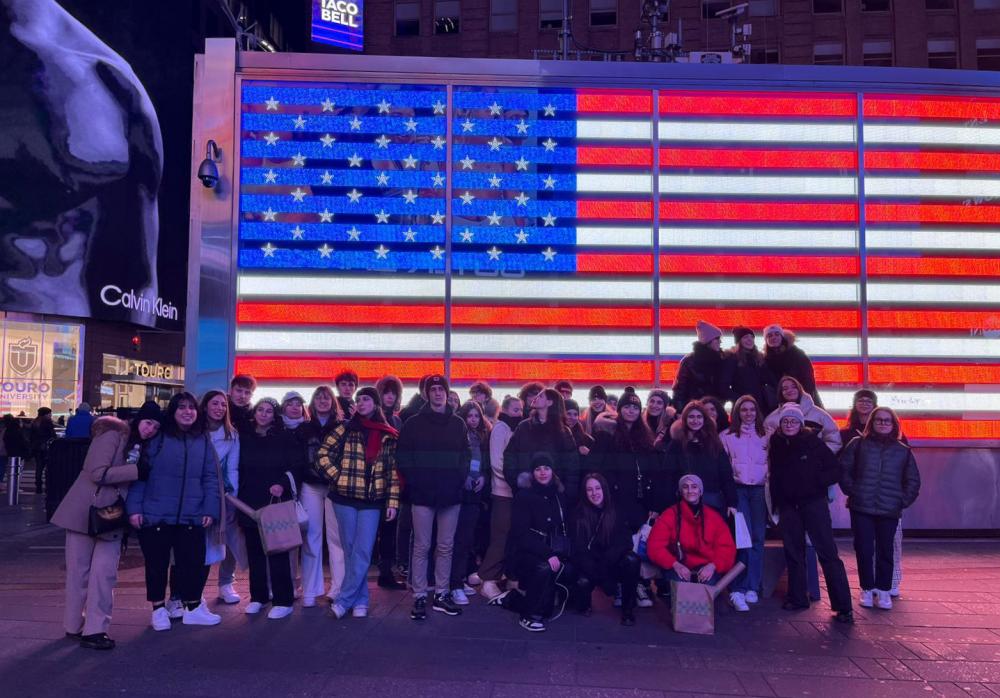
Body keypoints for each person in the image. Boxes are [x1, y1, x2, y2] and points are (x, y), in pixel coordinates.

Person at [52, 405, 159, 650]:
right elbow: (96, 472)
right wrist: (135, 471)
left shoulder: (142, 449)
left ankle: (95, 630)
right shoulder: (112, 436)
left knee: (105, 574)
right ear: (137, 420)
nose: (150, 429)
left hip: (112, 518)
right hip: (84, 513)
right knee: (79, 572)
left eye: (155, 426)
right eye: (147, 423)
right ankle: (73, 626)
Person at [126, 392, 221, 630]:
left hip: (192, 513)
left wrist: (210, 507)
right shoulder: (158, 438)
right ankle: (158, 610)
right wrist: (134, 508)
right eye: (181, 408)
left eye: (191, 407)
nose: (188, 412)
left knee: (193, 561)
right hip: (156, 512)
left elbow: (211, 477)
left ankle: (191, 607)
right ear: (173, 411)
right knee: (156, 563)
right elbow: (141, 475)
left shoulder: (203, 439)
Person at [315, 386, 400, 619]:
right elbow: (322, 454)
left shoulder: (388, 434)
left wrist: (393, 502)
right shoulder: (345, 428)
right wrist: (337, 476)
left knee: (362, 551)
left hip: (372, 501)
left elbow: (393, 472)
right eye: (358, 399)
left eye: (366, 399)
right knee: (351, 550)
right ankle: (361, 600)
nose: (361, 403)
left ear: (375, 404)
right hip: (344, 498)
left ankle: (344, 600)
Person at [769, 404, 853, 623]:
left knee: (827, 552)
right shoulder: (776, 444)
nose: (789, 425)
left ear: (801, 423)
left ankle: (843, 605)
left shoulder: (814, 444)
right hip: (788, 506)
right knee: (793, 552)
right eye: (785, 421)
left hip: (813, 503)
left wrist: (817, 482)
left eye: (793, 421)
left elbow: (835, 470)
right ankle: (797, 597)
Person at [396, 375, 470, 620]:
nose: (438, 393)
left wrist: (459, 479)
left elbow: (465, 456)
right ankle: (419, 595)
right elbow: (403, 457)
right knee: (422, 545)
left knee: (446, 546)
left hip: (451, 494)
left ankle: (441, 593)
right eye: (434, 389)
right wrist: (416, 482)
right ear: (427, 394)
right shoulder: (413, 423)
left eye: (442, 389)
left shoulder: (458, 424)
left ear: (447, 393)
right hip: (422, 494)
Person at [839, 407, 920, 611]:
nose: (883, 423)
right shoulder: (858, 445)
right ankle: (867, 588)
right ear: (871, 423)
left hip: (889, 510)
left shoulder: (903, 451)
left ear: (894, 425)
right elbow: (844, 470)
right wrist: (853, 491)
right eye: (879, 420)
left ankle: (884, 590)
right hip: (861, 508)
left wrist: (900, 501)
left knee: (886, 551)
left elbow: (913, 481)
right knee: (864, 550)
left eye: (887, 421)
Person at [236, 397, 304, 619]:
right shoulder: (244, 437)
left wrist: (282, 484)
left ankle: (283, 600)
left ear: (274, 416)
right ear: (254, 412)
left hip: (275, 502)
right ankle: (258, 597)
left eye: (269, 411)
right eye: (260, 410)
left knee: (278, 550)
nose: (264, 414)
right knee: (254, 551)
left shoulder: (284, 438)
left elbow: (297, 466)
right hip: (249, 500)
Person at [491, 453, 571, 632]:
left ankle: (512, 599)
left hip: (552, 548)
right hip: (526, 551)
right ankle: (528, 617)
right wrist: (547, 554)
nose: (542, 472)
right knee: (543, 568)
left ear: (552, 471)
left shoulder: (558, 496)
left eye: (546, 468)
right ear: (532, 473)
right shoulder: (524, 496)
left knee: (548, 610)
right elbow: (521, 533)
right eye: (538, 469)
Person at [571, 473, 642, 626]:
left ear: (604, 489)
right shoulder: (579, 514)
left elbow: (625, 541)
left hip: (611, 562)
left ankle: (628, 610)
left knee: (632, 560)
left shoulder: (616, 510)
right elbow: (579, 550)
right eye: (589, 490)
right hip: (590, 567)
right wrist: (599, 575)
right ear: (585, 492)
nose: (594, 493)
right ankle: (585, 603)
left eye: (598, 488)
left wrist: (607, 565)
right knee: (581, 586)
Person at [720, 395, 769, 612]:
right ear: (737, 413)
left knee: (758, 537)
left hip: (759, 491)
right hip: (738, 490)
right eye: (743, 410)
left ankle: (752, 585)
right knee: (742, 538)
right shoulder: (727, 436)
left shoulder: (767, 435)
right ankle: (737, 587)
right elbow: (724, 468)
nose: (748, 413)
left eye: (752, 409)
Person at [647, 473, 736, 589]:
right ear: (680, 491)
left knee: (706, 589)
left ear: (700, 491)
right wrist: (674, 564)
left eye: (694, 487)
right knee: (681, 589)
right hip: (678, 566)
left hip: (706, 567)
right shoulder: (669, 515)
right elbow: (654, 546)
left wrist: (713, 566)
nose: (690, 491)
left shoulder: (714, 517)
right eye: (685, 487)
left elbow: (726, 548)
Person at [300, 386, 347, 601]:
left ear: (333, 401)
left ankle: (338, 588)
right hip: (310, 485)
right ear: (312, 401)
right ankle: (311, 589)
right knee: (312, 536)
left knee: (336, 539)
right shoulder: (304, 428)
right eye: (318, 397)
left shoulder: (342, 427)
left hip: (334, 486)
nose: (322, 400)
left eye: (326, 397)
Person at [200, 390, 244, 606]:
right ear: (205, 405)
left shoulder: (232, 434)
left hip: (223, 492)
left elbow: (233, 467)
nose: (219, 408)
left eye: (223, 405)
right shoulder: (195, 431)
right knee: (198, 541)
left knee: (227, 539)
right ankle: (192, 589)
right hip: (196, 492)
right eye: (215, 403)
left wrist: (232, 496)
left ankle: (226, 583)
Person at [477, 395, 523, 601]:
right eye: (515, 409)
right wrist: (515, 479)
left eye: (520, 409)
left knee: (508, 536)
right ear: (504, 409)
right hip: (503, 491)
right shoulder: (500, 429)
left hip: (513, 491)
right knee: (500, 537)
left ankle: (497, 575)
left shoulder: (513, 429)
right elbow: (497, 462)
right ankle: (488, 579)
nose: (519, 413)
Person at [504, 388, 580, 507]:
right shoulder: (524, 427)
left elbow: (572, 465)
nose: (536, 398)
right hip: (526, 491)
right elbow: (509, 456)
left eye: (540, 396)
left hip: (554, 493)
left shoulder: (563, 431)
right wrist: (516, 482)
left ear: (550, 402)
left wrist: (566, 491)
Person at [664, 401, 737, 516]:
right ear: (685, 420)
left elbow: (726, 475)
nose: (695, 420)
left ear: (704, 419)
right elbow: (667, 477)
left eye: (699, 417)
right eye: (691, 417)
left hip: (712, 503)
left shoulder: (714, 443)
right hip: (683, 504)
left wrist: (732, 503)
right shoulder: (676, 445)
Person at [450, 400, 490, 604]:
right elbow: (454, 462)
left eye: (477, 416)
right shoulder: (457, 436)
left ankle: (461, 578)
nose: (473, 419)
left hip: (474, 494)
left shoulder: (482, 437)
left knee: (467, 540)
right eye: (470, 416)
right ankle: (454, 583)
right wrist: (463, 476)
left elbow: (484, 464)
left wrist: (482, 477)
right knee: (455, 540)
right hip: (458, 493)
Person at [764, 376, 842, 454]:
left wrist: (819, 457)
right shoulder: (771, 419)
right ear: (781, 393)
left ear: (800, 388)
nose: (790, 390)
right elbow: (765, 445)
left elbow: (834, 441)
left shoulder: (820, 415)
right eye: (785, 388)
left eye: (794, 387)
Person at [722, 326, 778, 415]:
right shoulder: (732, 359)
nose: (749, 340)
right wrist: (740, 399)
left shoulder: (759, 358)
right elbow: (723, 386)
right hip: (742, 407)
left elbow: (771, 380)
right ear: (739, 341)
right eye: (745, 337)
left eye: (751, 337)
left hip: (761, 405)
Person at [672, 321, 726, 411]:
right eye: (717, 339)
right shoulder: (689, 361)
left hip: (715, 410)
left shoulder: (722, 359)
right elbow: (679, 390)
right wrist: (680, 411)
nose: (720, 341)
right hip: (693, 411)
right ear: (708, 341)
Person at [763, 325, 822, 407]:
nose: (774, 337)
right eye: (769, 335)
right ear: (766, 340)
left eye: (777, 334)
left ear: (782, 337)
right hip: (780, 404)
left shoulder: (797, 354)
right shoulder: (765, 360)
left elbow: (808, 379)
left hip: (802, 400)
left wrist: (805, 399)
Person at [29, 406, 56, 493]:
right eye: (49, 414)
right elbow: (52, 435)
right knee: (49, 468)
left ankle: (38, 487)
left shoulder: (35, 422)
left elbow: (31, 436)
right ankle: (48, 486)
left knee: (39, 467)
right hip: (46, 448)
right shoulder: (47, 422)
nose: (50, 415)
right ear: (46, 414)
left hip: (36, 448)